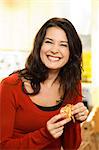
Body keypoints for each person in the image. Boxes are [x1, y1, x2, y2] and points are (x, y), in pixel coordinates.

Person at [0, 17, 89, 150]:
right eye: (49, 42)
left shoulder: (72, 85)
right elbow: (2, 146)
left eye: (63, 45)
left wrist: (75, 121)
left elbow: (71, 147)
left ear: (71, 52)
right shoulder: (11, 86)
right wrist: (45, 135)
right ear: (39, 45)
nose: (54, 50)